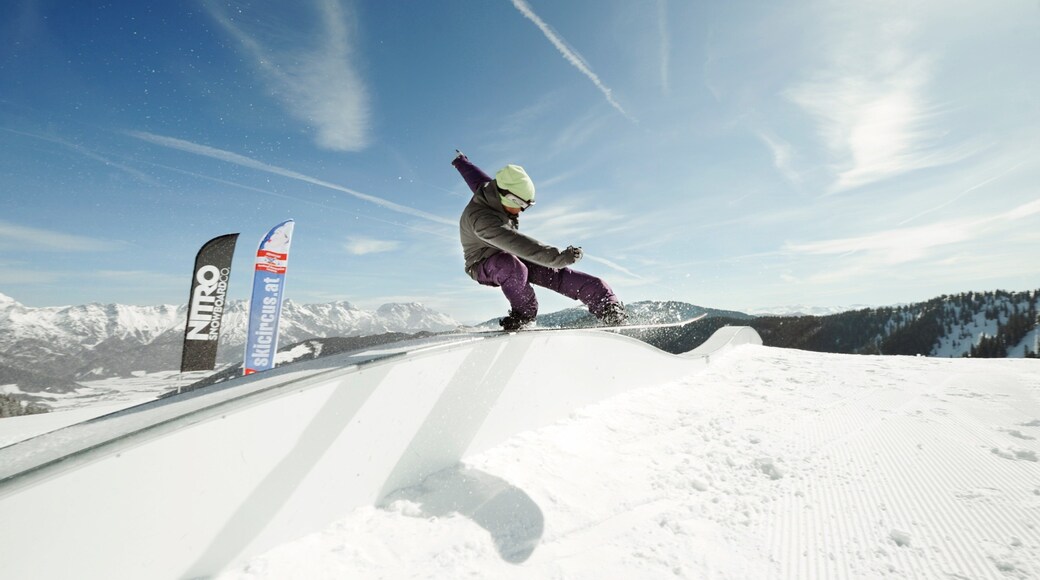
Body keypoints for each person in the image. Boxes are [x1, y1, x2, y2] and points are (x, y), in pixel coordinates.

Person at [452, 150, 627, 331]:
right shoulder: (482, 221)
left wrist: (461, 162)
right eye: (521, 205)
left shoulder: (492, 189)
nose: (521, 210)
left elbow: (473, 176)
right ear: (508, 197)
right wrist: (559, 257)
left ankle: (607, 305)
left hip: (506, 252)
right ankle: (523, 316)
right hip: (482, 263)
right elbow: (520, 244)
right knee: (512, 267)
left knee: (554, 273)